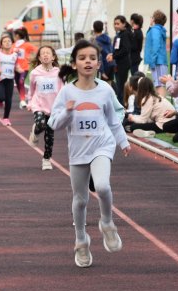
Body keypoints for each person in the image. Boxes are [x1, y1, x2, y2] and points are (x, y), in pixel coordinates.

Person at [48, 40, 131, 268]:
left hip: (102, 145)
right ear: (74, 63)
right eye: (82, 58)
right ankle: (81, 240)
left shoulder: (105, 89)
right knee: (80, 200)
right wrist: (67, 111)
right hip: (78, 151)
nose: (88, 61)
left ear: (98, 63)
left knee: (103, 186)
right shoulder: (66, 92)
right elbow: (54, 123)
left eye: (92, 58)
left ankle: (107, 224)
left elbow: (114, 120)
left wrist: (123, 141)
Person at [27, 46, 63, 170]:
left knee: (49, 135)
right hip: (39, 105)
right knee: (41, 124)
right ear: (39, 58)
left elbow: (63, 90)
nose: (46, 55)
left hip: (53, 108)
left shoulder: (59, 73)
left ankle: (46, 159)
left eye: (48, 53)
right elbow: (31, 89)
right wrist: (29, 102)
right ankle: (35, 131)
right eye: (43, 54)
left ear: (53, 57)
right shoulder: (35, 73)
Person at [0, 34, 20, 126]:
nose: (7, 43)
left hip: (10, 79)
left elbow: (16, 65)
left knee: (8, 99)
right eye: (5, 41)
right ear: (1, 44)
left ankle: (6, 118)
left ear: (12, 43)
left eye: (9, 41)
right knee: (1, 97)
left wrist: (18, 68)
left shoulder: (15, 55)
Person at [107, 15, 133, 104]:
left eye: (118, 24)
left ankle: (122, 105)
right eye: (114, 24)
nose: (115, 25)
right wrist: (113, 54)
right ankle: (121, 103)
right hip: (119, 63)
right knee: (119, 86)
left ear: (124, 24)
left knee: (121, 86)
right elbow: (119, 49)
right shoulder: (119, 34)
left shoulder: (125, 34)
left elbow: (125, 49)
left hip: (123, 64)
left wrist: (114, 56)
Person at [144, 10, 168, 97]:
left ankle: (161, 106)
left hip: (157, 61)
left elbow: (156, 45)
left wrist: (152, 61)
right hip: (159, 60)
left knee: (159, 84)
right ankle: (161, 104)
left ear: (153, 19)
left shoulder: (155, 30)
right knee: (159, 84)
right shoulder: (158, 29)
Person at [13, 27, 37, 109]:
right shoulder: (13, 45)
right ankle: (22, 98)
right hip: (15, 68)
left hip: (24, 68)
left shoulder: (27, 45)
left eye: (14, 35)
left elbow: (36, 50)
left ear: (17, 36)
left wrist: (32, 59)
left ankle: (22, 100)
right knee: (18, 83)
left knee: (21, 81)